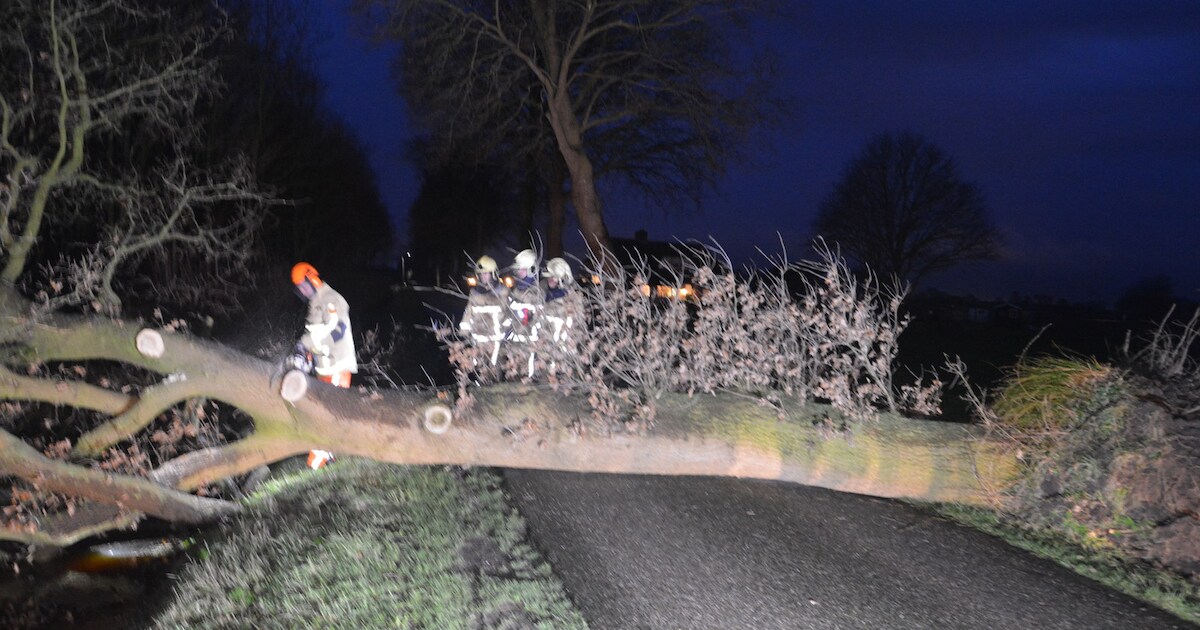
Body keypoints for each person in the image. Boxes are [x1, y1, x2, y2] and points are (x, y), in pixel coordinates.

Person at [290, 262, 356, 470]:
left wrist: (309, 346)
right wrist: (304, 352)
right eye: (300, 289)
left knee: (327, 413)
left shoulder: (331, 299)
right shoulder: (316, 303)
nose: (303, 291)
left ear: (313, 278)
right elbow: (314, 333)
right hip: (324, 366)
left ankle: (316, 464)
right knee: (323, 411)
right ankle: (332, 455)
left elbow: (336, 332)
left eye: (304, 286)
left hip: (337, 364)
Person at [459, 255, 508, 366]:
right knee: (478, 369)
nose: (483, 277)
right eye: (480, 274)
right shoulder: (475, 293)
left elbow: (508, 315)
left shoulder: (503, 292)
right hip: (478, 342)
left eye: (486, 274)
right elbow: (468, 313)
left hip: (496, 344)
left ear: (493, 274)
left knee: (494, 370)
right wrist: (463, 333)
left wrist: (506, 334)